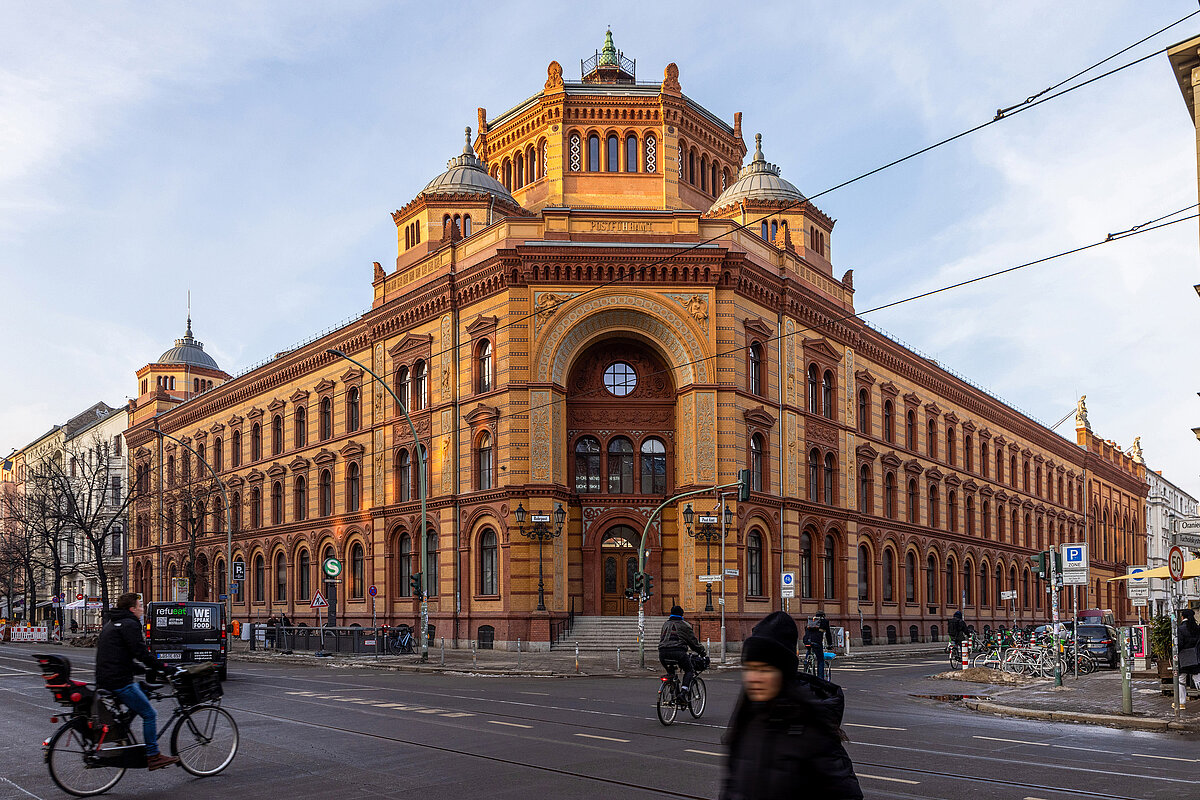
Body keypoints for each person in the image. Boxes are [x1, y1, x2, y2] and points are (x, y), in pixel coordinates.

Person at [722, 611, 863, 800]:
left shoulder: (812, 728)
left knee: (819, 658)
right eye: (750, 669)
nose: (755, 678)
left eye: (765, 670)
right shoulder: (746, 720)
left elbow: (846, 793)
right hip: (813, 644)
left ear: (783, 674)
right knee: (819, 658)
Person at [95, 593, 180, 770]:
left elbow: (120, 655)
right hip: (119, 681)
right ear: (132, 609)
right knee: (149, 714)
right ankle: (153, 755)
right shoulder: (130, 624)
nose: (142, 610)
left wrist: (144, 670)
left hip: (106, 678)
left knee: (143, 690)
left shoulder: (111, 623)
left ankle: (122, 732)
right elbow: (141, 654)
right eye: (140, 606)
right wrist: (165, 668)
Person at [658, 605, 706, 700]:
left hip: (662, 653)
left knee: (671, 673)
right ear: (681, 614)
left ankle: (672, 688)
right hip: (678, 652)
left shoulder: (665, 624)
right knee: (689, 670)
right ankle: (683, 693)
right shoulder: (684, 625)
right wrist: (702, 651)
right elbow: (693, 642)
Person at [803, 610, 835, 680]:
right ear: (823, 616)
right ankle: (820, 679)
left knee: (809, 649)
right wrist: (830, 644)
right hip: (817, 642)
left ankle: (806, 663)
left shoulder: (811, 620)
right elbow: (828, 634)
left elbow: (806, 629)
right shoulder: (824, 621)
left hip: (806, 641)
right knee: (820, 660)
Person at [1178, 609, 1200, 689]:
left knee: (1182, 679)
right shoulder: (1196, 628)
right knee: (1197, 677)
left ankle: (1182, 697)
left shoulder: (1181, 629)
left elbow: (1180, 644)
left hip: (1184, 657)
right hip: (1196, 656)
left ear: (1182, 617)